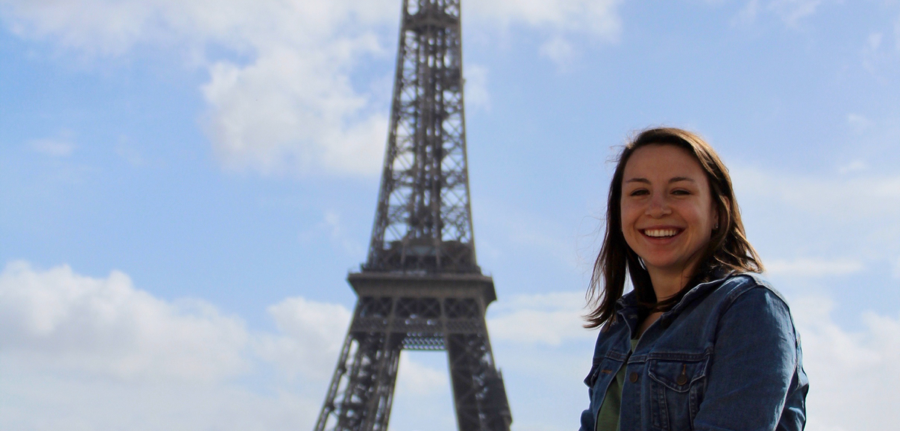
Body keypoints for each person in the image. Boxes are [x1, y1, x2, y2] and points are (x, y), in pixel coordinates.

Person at [579, 128, 808, 431]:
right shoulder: (617, 330)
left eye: (680, 191)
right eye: (639, 192)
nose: (657, 208)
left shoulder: (749, 309)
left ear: (716, 211)